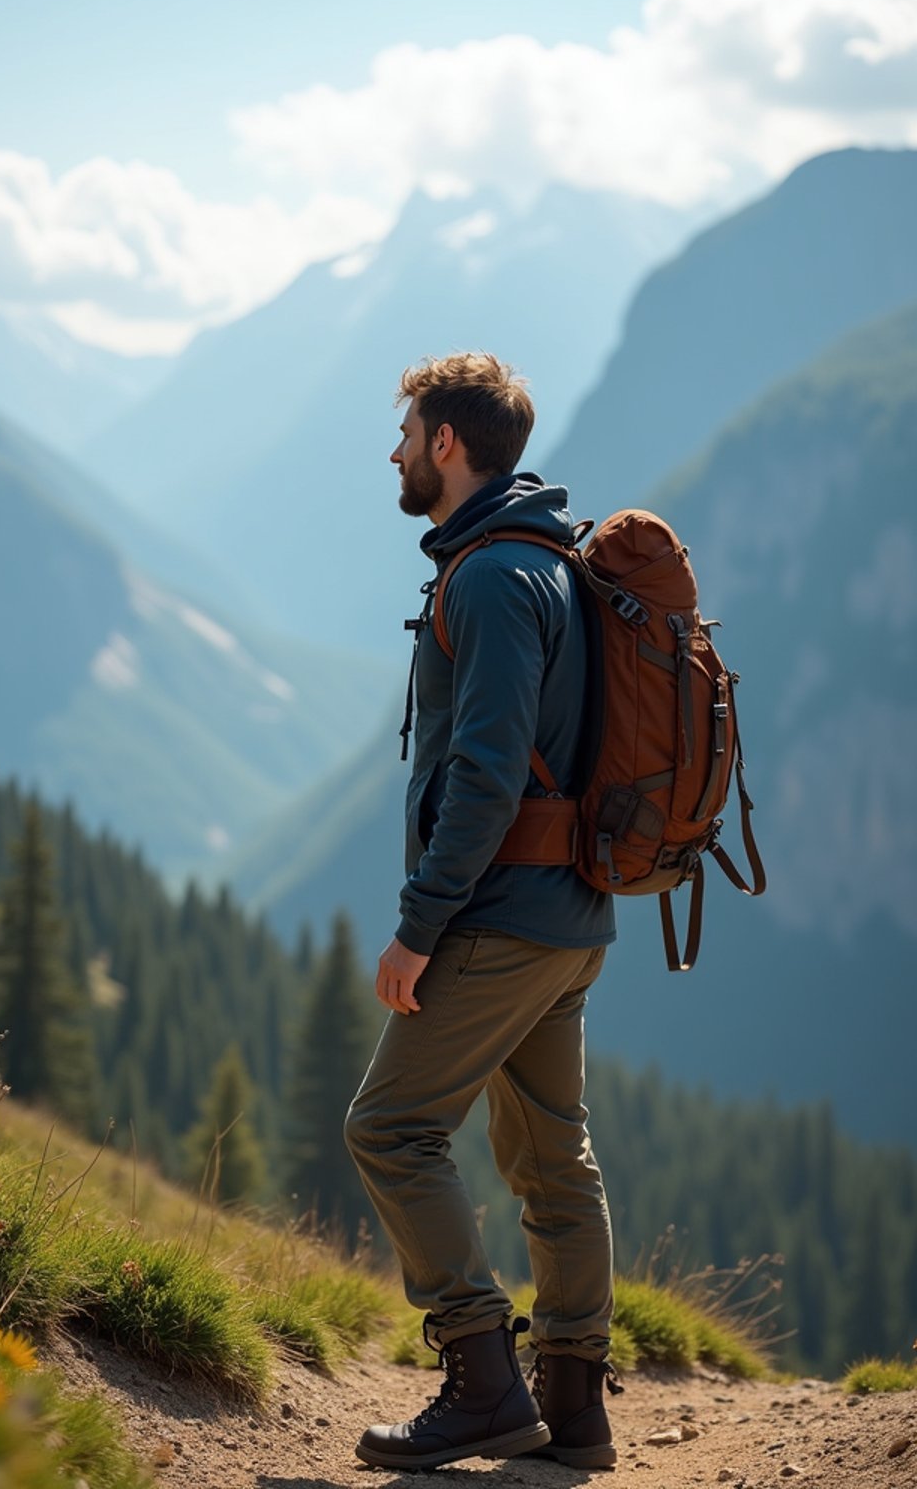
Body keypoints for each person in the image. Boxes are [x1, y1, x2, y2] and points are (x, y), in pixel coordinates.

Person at [344, 352, 621, 1472]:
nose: (397, 452)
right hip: (566, 918)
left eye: (408, 433)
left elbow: (488, 771)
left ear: (446, 444)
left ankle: (481, 1379)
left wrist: (421, 925)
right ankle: (575, 1408)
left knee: (390, 1128)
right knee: (555, 1161)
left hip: (500, 919)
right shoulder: (540, 558)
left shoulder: (496, 577)